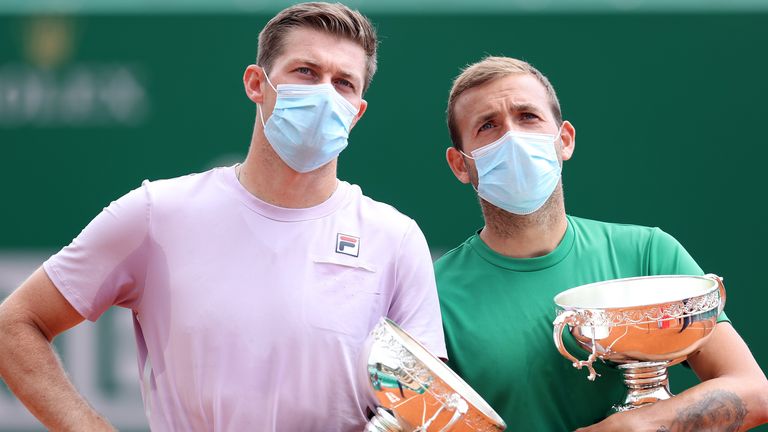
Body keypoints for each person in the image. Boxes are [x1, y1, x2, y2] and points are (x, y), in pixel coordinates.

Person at [0, 3, 446, 431]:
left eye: (344, 83)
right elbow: (14, 325)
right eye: (305, 72)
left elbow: (425, 413)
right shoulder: (159, 213)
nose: (324, 93)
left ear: (357, 112)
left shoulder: (396, 239)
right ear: (256, 83)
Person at [436, 56, 768, 431]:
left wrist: (635, 426)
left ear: (564, 140)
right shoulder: (436, 294)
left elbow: (755, 392)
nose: (512, 136)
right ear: (460, 165)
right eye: (488, 126)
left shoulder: (648, 253)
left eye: (527, 116)